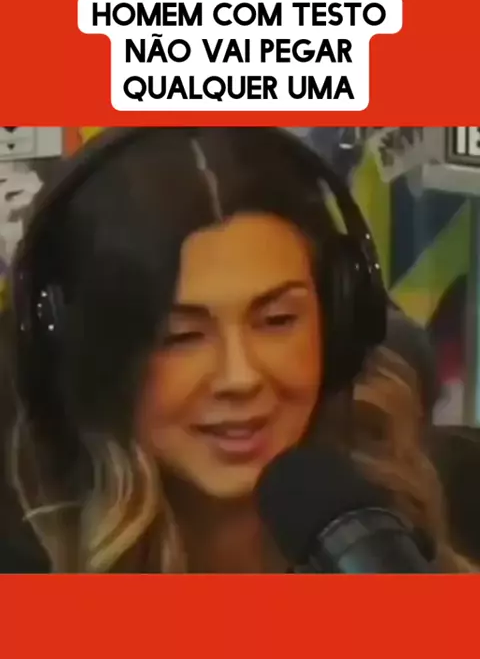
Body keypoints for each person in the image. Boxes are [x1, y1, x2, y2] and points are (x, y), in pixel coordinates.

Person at [2, 127, 466, 573]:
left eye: (277, 320)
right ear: (90, 357)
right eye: (180, 336)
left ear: (337, 318)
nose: (240, 377)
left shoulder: (452, 503)